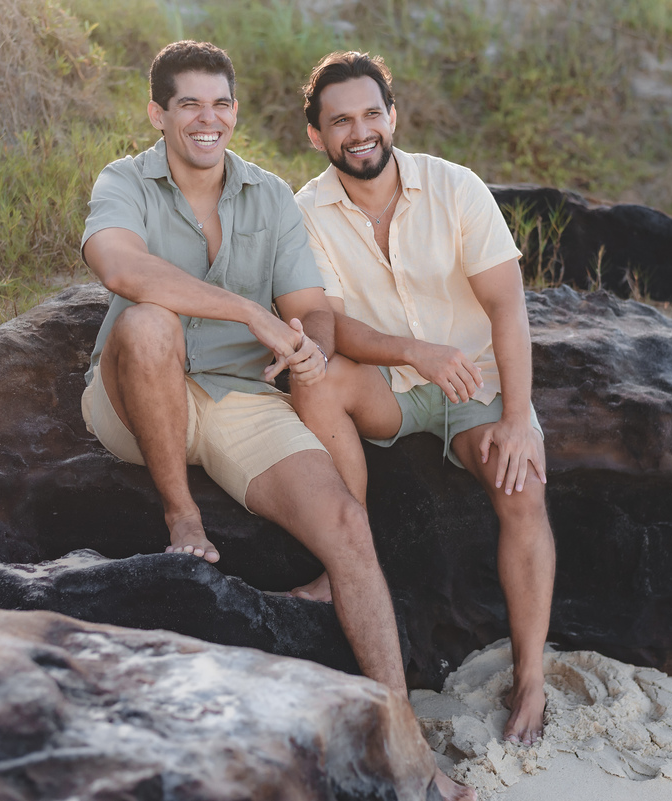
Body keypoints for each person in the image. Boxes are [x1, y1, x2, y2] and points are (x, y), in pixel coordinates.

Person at [79, 41, 475, 800]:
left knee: (348, 525)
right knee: (148, 324)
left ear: (235, 110)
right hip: (136, 397)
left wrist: (309, 354)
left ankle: (409, 750)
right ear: (157, 113)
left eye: (220, 102)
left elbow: (312, 312)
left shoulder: (266, 196)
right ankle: (182, 512)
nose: (207, 118)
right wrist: (246, 312)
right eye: (188, 103)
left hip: (239, 398)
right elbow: (120, 270)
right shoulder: (123, 180)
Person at [291, 51, 556, 746]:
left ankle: (530, 674)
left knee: (522, 485)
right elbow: (329, 322)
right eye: (340, 120)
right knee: (313, 376)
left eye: (372, 114)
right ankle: (342, 559)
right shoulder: (307, 211)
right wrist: (414, 351)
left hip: (475, 388)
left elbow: (507, 307)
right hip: (389, 390)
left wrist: (518, 417)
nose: (361, 131)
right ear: (316, 135)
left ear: (393, 117)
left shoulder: (455, 186)